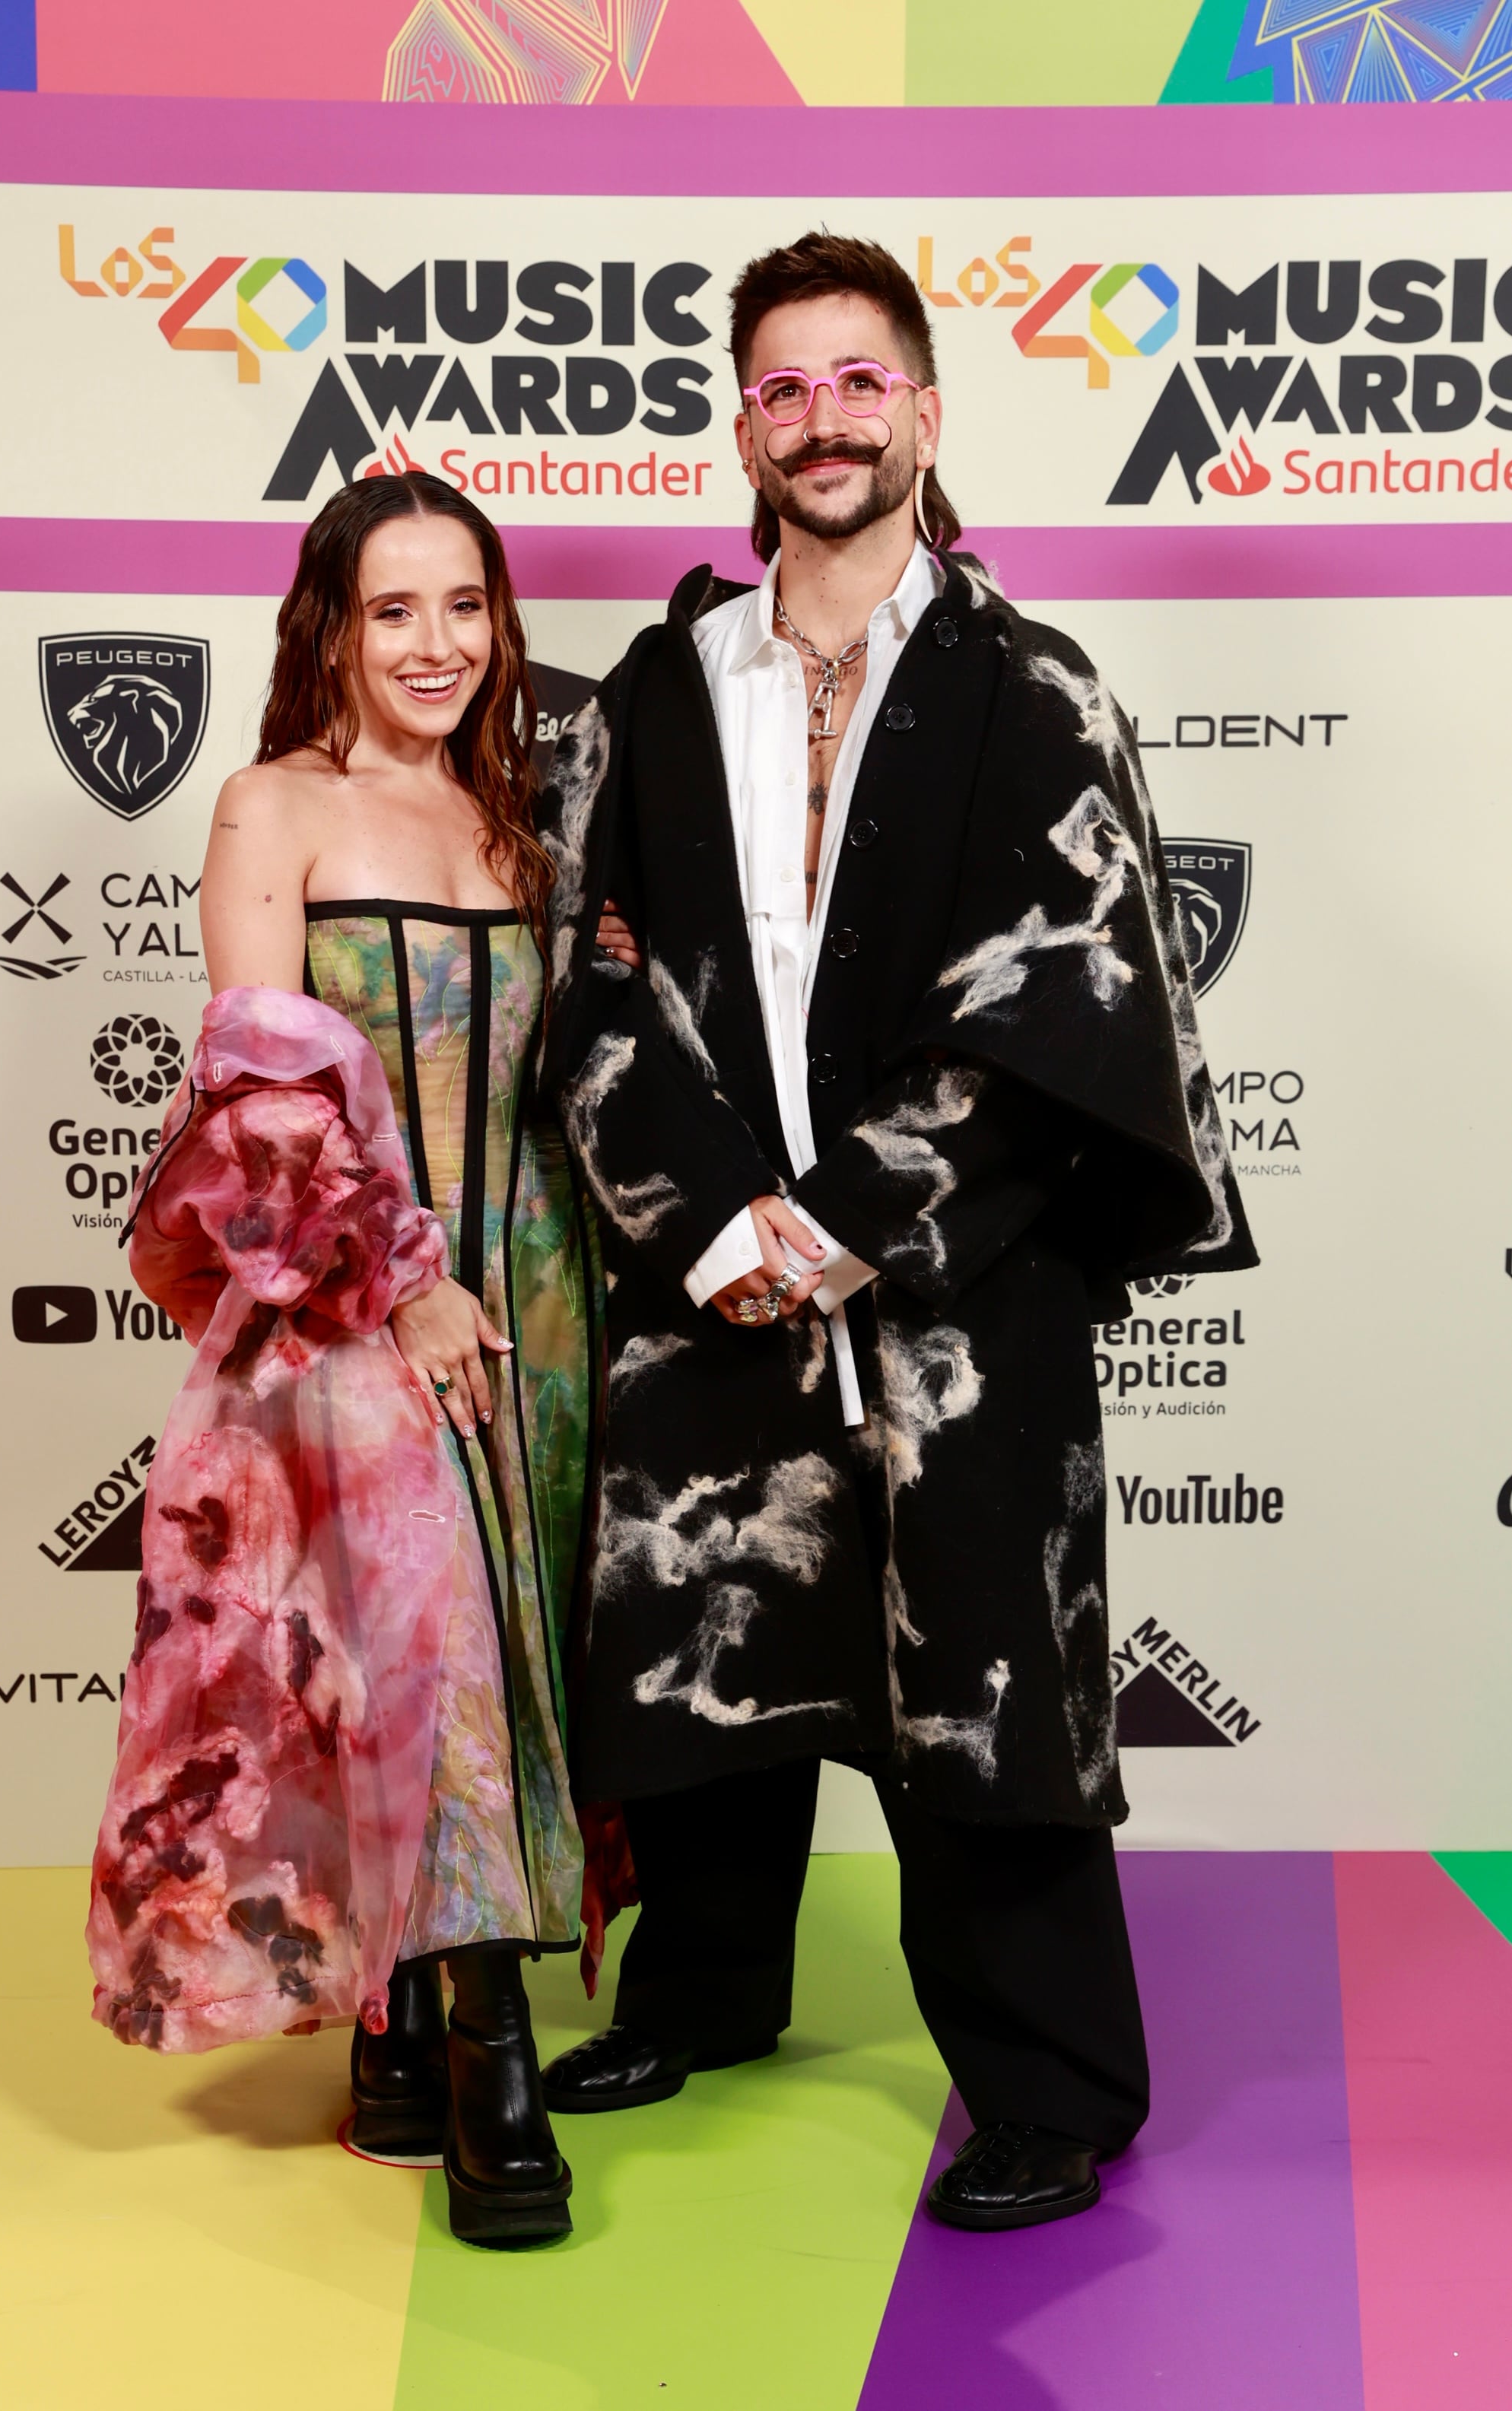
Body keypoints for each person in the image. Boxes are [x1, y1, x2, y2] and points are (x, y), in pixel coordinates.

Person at [535, 234, 1256, 2232]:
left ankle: (1046, 2089)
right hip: (715, 1278)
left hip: (954, 1279)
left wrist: (841, 1222)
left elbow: (1069, 1001)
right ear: (744, 423)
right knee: (706, 1634)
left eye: (860, 380)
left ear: (924, 412)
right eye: (783, 385)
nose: (823, 416)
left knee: (984, 1676)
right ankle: (698, 1990)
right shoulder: (661, 693)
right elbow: (598, 990)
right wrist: (707, 1228)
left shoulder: (1031, 689)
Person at [86, 472, 627, 2247]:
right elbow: (260, 1097)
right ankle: (496, 2060)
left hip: (540, 1309)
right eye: (394, 608)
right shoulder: (271, 805)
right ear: (328, 619)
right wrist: (402, 1287)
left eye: (464, 604)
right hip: (351, 1305)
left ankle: (396, 2021)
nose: (436, 644)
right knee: (428, 1660)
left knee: (514, 1666)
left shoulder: (527, 817)